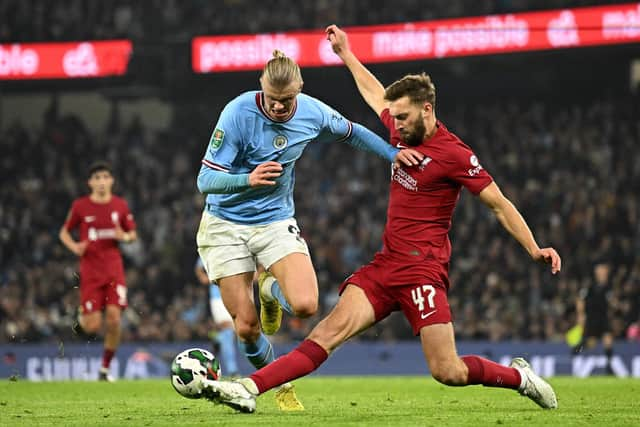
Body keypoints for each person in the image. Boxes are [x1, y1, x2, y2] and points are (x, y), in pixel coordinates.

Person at [201, 25, 562, 413]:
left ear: (427, 109)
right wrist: (345, 53)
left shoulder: (454, 155)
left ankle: (520, 377)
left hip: (423, 273)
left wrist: (533, 246)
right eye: (395, 117)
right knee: (326, 332)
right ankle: (248, 388)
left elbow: (499, 204)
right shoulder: (403, 132)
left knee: (448, 370)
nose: (395, 125)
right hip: (386, 266)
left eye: (403, 117)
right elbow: (376, 94)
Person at [195, 49, 422, 411]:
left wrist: (393, 155)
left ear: (299, 90)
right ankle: (279, 386)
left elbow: (354, 133)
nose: (281, 108)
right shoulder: (237, 113)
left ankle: (269, 289)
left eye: (287, 100)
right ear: (261, 88)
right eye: (273, 100)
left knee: (304, 305)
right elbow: (205, 180)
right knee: (247, 328)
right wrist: (247, 179)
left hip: (273, 220)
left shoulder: (313, 112)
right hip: (225, 225)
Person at [59, 161, 137, 382]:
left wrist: (125, 237)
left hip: (114, 270)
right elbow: (64, 232)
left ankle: (104, 369)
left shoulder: (120, 205)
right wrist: (74, 247)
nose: (101, 181)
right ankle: (81, 317)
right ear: (90, 182)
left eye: (105, 177)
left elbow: (133, 234)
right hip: (91, 271)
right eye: (97, 178)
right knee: (92, 326)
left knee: (114, 320)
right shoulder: (81, 206)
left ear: (111, 180)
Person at [195, 257, 240, 377]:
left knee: (235, 332)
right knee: (228, 330)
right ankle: (232, 371)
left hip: (237, 295)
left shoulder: (237, 246)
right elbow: (199, 267)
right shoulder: (213, 245)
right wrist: (204, 278)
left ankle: (216, 342)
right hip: (218, 297)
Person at [574, 261, 615, 374]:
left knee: (608, 339)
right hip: (592, 318)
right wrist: (581, 314)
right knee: (591, 343)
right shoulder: (590, 286)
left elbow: (612, 302)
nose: (602, 273)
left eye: (604, 271)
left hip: (603, 317)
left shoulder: (609, 286)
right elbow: (580, 299)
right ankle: (576, 349)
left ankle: (609, 366)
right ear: (596, 272)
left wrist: (614, 307)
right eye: (600, 271)